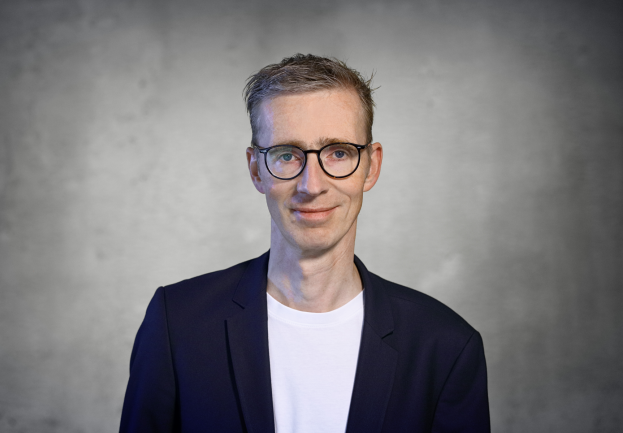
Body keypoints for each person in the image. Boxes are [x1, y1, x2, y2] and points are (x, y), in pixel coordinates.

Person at [119, 54, 490, 433]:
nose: (312, 186)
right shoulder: (177, 324)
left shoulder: (446, 345)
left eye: (339, 153)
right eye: (286, 155)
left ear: (372, 166)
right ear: (255, 170)